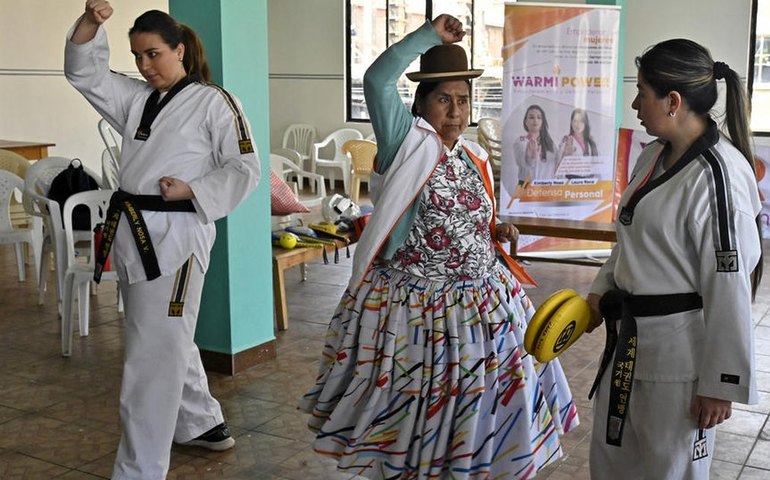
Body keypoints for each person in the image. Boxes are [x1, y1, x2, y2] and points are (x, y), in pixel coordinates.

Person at [300, 14, 578, 479]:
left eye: (463, 101)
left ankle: (471, 464)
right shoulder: (404, 144)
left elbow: (471, 215)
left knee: (481, 397)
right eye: (443, 100)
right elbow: (376, 78)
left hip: (483, 302)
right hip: (419, 310)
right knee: (419, 400)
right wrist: (430, 35)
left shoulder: (472, 156)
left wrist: (497, 229)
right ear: (421, 103)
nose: (455, 111)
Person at [65, 2, 260, 479]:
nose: (144, 66)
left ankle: (139, 470)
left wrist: (194, 189)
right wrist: (92, 23)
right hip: (135, 235)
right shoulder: (137, 100)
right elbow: (85, 75)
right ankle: (201, 422)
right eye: (136, 56)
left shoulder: (216, 102)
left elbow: (246, 168)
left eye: (153, 54)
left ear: (180, 50)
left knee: (152, 354)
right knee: (161, 335)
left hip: (177, 239)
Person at [585, 38, 763, 480]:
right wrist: (597, 293)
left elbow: (730, 283)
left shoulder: (719, 177)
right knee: (613, 464)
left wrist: (719, 385)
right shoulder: (652, 157)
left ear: (673, 101)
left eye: (642, 92)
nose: (634, 103)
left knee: (670, 471)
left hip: (680, 364)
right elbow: (631, 243)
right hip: (628, 345)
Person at [513, 104, 557, 186]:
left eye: (539, 117)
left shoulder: (550, 143)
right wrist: (531, 158)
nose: (535, 120)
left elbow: (556, 164)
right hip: (526, 186)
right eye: (531, 117)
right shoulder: (521, 141)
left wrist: (565, 154)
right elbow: (522, 162)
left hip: (547, 187)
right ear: (525, 122)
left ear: (542, 122)